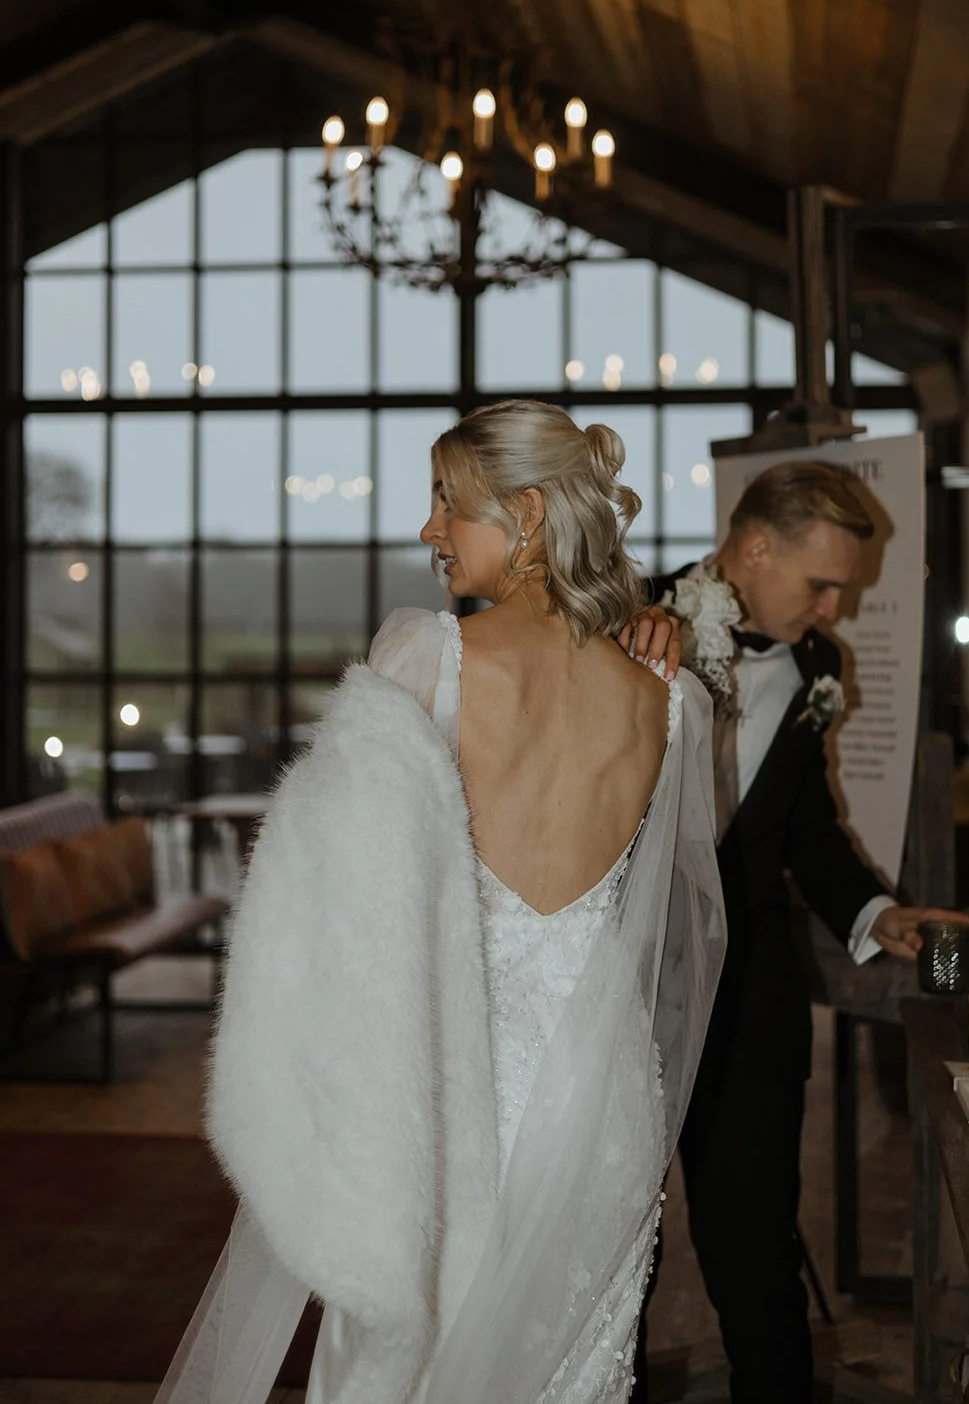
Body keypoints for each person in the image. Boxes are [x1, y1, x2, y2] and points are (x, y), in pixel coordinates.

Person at [155, 399, 726, 1404]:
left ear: (530, 515)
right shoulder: (668, 700)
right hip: (603, 1105)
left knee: (400, 1365)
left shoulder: (426, 656)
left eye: (446, 504)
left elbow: (326, 906)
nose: (428, 531)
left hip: (446, 1091)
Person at [632, 459, 969, 1404]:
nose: (831, 609)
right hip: (617, 993)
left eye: (842, 589)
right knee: (612, 1254)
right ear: (751, 548)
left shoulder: (816, 666)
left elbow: (805, 826)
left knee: (754, 1250)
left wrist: (876, 910)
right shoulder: (627, 623)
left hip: (751, 999)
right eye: (819, 582)